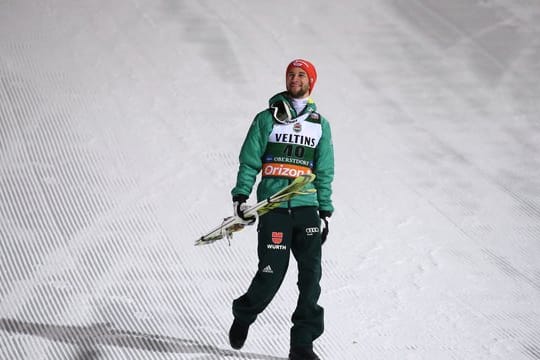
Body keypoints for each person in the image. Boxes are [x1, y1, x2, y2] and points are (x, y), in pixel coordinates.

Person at [228, 59, 334, 360]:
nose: (295, 79)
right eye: (291, 74)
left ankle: (302, 344)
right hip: (273, 207)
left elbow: (324, 170)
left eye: (301, 75)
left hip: (307, 207)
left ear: (310, 82)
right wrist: (240, 195)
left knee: (311, 276)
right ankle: (245, 312)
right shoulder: (267, 119)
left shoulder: (319, 125)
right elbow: (249, 160)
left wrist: (324, 211)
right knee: (272, 272)